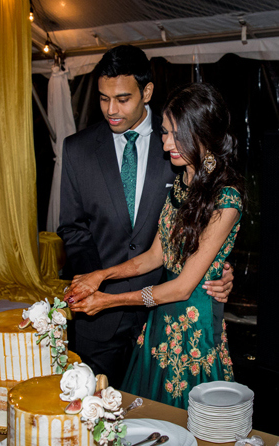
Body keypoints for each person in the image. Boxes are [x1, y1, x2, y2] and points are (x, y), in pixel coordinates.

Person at [57, 45, 234, 389]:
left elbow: (204, 238)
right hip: (100, 318)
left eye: (122, 99)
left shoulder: (179, 141)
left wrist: (219, 269)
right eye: (103, 98)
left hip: (166, 314)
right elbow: (74, 229)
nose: (111, 110)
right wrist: (99, 282)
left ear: (147, 91)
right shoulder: (78, 149)